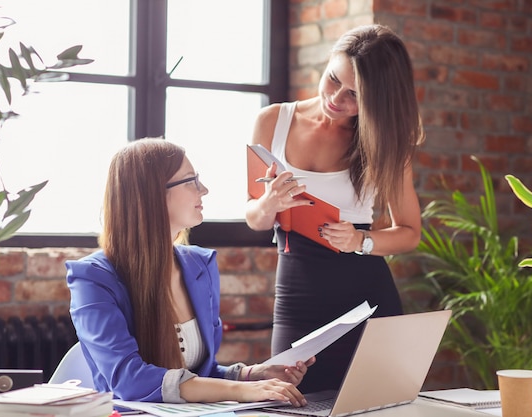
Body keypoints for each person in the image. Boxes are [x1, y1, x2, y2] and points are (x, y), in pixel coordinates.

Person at [245, 24, 424, 393]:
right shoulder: (272, 122)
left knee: (380, 406)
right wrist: (269, 203)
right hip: (297, 296)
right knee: (289, 399)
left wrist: (362, 239)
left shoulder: (384, 142)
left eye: (355, 95)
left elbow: (409, 233)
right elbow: (255, 219)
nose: (336, 99)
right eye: (333, 80)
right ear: (327, 63)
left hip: (368, 300)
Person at [66, 138, 313, 404]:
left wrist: (250, 375)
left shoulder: (200, 265)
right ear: (152, 194)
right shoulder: (92, 278)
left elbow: (197, 375)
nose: (203, 190)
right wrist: (239, 391)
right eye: (190, 181)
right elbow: (129, 381)